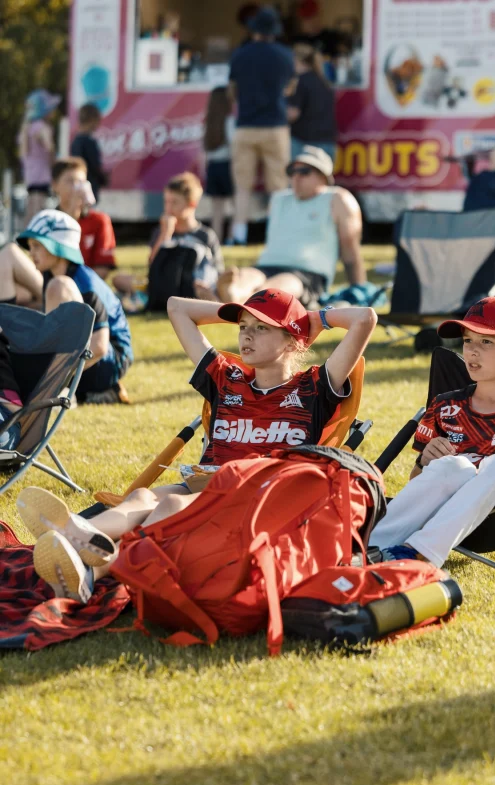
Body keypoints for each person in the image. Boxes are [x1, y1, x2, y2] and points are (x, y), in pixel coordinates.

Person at [16, 290, 378, 602]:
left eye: (261, 328)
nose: (246, 337)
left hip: (259, 498)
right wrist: (239, 310)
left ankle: (95, 569)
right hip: (204, 482)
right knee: (142, 498)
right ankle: (73, 535)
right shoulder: (226, 378)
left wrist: (313, 319)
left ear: (292, 340)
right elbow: (177, 307)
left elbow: (365, 318)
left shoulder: (314, 387)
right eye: (243, 328)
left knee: (171, 504)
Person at [369, 297, 495, 567]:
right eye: (468, 340)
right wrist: (425, 462)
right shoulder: (445, 404)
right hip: (444, 504)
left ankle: (421, 552)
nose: (472, 351)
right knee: (454, 467)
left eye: (486, 342)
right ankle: (370, 545)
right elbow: (418, 482)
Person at [218, 146, 367, 309]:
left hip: (307, 275)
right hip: (266, 265)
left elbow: (350, 251)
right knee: (246, 277)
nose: (296, 177)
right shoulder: (279, 199)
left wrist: (359, 289)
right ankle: (234, 294)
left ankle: (236, 300)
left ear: (322, 176)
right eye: (292, 172)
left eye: (304, 172)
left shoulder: (338, 199)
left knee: (274, 289)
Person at [17, 210, 133, 404]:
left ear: (58, 247)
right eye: (30, 246)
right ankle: (84, 392)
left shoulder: (84, 284)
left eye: (37, 245)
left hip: (110, 362)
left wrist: (51, 381)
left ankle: (96, 389)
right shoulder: (50, 274)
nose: (31, 253)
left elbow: (100, 347)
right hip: (89, 356)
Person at [0, 157, 117, 308]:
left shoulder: (99, 220)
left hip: (80, 290)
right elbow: (38, 263)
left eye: (81, 182)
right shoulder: (45, 220)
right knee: (9, 253)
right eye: (70, 181)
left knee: (51, 290)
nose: (76, 188)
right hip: (45, 282)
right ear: (55, 185)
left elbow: (102, 271)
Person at [228, 6, 295, 246]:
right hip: (276, 126)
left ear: (254, 30)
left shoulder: (240, 54)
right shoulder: (285, 55)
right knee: (278, 186)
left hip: (245, 125)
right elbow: (290, 88)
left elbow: (232, 91)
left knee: (242, 186)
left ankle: (239, 234)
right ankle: (276, 234)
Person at [112, 172, 224, 307]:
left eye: (175, 202)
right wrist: (166, 233)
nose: (169, 208)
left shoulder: (205, 235)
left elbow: (217, 270)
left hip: (193, 284)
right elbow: (153, 266)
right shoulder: (160, 231)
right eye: (166, 202)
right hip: (162, 283)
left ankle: (204, 299)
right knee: (119, 279)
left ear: (192, 204)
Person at [288, 43, 337, 162]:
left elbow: (293, 113)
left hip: (305, 144)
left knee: (298, 180)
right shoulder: (324, 82)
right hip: (328, 143)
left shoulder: (300, 82)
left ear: (296, 60)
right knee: (323, 180)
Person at [18, 90, 60, 221]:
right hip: (43, 177)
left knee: (31, 213)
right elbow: (49, 147)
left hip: (30, 177)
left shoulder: (26, 129)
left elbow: (23, 154)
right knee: (41, 213)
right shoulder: (42, 128)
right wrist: (55, 163)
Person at [203, 87, 236, 242]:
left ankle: (216, 239)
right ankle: (232, 237)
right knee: (236, 205)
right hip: (227, 165)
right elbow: (234, 145)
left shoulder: (208, 122)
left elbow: (203, 150)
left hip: (212, 166)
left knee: (216, 210)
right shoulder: (229, 121)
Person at [70, 104, 109, 203]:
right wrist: (103, 178)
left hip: (77, 187)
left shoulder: (75, 141)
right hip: (89, 187)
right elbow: (94, 165)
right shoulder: (89, 142)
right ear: (92, 120)